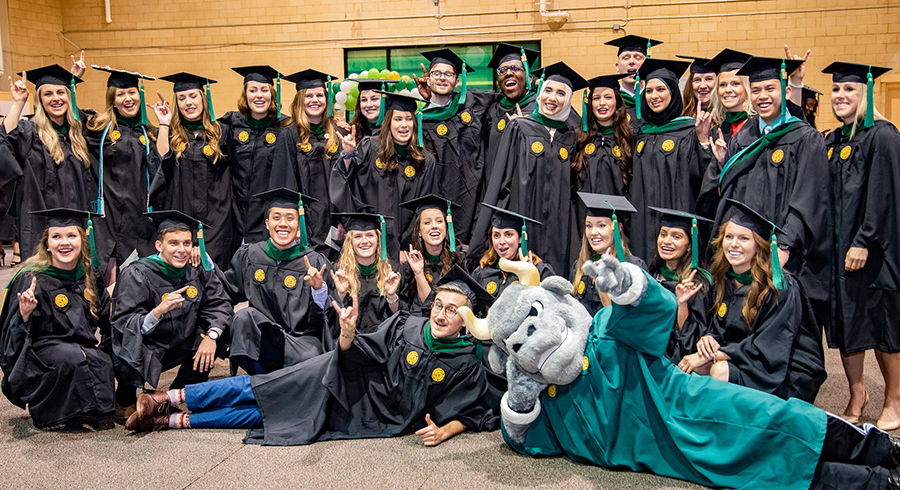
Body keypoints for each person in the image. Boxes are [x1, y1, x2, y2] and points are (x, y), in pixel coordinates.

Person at [476, 256, 900, 490]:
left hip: (689, 405)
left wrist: (626, 283)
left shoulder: (605, 335)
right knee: (764, 472)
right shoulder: (551, 399)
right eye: (518, 344)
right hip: (667, 453)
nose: (534, 342)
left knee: (776, 420)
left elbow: (653, 313)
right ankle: (881, 484)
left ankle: (884, 453)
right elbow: (532, 443)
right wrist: (520, 401)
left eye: (535, 321)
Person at [124, 267, 498, 449]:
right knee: (266, 387)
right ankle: (166, 399)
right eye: (439, 305)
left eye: (454, 310)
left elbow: (469, 410)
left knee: (269, 412)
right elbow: (361, 352)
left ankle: (168, 422)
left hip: (366, 413)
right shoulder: (409, 324)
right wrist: (348, 332)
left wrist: (446, 430)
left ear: (467, 321)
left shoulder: (466, 362)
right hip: (345, 377)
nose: (442, 314)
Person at [698, 55, 833, 328]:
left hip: (786, 251)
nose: (762, 96)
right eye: (757, 90)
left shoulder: (805, 138)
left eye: (770, 89)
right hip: (746, 249)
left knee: (785, 325)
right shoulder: (743, 138)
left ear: (786, 91)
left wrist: (784, 246)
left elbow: (810, 197)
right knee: (745, 320)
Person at [678, 200, 826, 403]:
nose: (734, 244)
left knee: (719, 370)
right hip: (747, 357)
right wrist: (709, 340)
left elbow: (769, 345)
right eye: (729, 237)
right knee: (699, 366)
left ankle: (737, 429)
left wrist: (714, 356)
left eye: (744, 238)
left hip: (786, 368)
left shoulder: (779, 286)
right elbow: (722, 328)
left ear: (759, 245)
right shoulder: (724, 279)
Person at [822, 62, 900, 430]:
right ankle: (856, 394)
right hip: (839, 247)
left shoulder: (882, 136)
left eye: (849, 90)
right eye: (836, 90)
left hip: (873, 250)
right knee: (848, 321)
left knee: (882, 325)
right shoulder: (835, 140)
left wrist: (864, 240)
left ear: (865, 93)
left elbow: (884, 194)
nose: (840, 96)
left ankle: (894, 400)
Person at [110, 210, 233, 418]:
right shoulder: (137, 273)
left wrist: (211, 337)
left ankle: (170, 396)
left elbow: (220, 304)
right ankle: (124, 399)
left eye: (187, 243)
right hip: (149, 344)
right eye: (174, 243)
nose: (181, 250)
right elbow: (124, 322)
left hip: (181, 339)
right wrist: (158, 311)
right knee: (126, 343)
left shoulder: (197, 269)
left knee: (219, 335)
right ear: (159, 245)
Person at [0, 208, 115, 431]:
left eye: (71, 236)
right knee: (72, 358)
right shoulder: (31, 278)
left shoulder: (88, 274)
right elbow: (9, 337)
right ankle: (52, 415)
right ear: (47, 244)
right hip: (42, 349)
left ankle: (90, 410)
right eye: (56, 237)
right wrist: (24, 314)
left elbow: (102, 317)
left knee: (100, 359)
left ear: (82, 240)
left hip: (79, 345)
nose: (64, 243)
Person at [471, 62, 588, 274]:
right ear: (540, 93)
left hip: (560, 228)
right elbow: (500, 180)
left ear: (569, 100)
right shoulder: (520, 127)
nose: (552, 98)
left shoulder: (572, 137)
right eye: (548, 91)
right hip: (523, 222)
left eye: (561, 93)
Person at [219, 188, 337, 375]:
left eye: (290, 218)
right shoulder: (251, 255)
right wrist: (212, 332)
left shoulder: (315, 262)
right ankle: (260, 378)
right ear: (267, 223)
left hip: (300, 342)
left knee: (313, 356)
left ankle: (268, 386)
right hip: (264, 338)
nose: (283, 224)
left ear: (299, 225)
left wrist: (319, 289)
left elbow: (326, 318)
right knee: (243, 317)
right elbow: (224, 293)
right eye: (276, 218)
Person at [0, 64, 92, 262]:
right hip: (40, 225)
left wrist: (73, 81)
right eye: (48, 94)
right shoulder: (30, 133)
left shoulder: (78, 134)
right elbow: (5, 143)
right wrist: (18, 103)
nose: (56, 98)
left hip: (77, 223)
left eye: (61, 92)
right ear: (40, 100)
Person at [332, 91, 436, 257]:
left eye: (409, 119)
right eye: (398, 119)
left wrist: (407, 244)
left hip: (405, 250)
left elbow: (422, 208)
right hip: (368, 243)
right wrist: (349, 155)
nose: (404, 125)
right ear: (388, 122)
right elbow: (347, 183)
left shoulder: (424, 160)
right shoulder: (370, 148)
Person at [150, 72, 236, 268]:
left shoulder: (221, 132)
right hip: (181, 221)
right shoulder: (171, 134)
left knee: (215, 283)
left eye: (193, 96)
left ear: (203, 98)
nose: (188, 102)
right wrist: (164, 123)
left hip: (217, 224)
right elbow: (163, 160)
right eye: (182, 98)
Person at [84, 66, 160, 284]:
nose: (128, 98)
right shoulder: (97, 129)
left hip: (139, 219)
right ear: (112, 99)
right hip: (106, 218)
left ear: (140, 94)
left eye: (132, 92)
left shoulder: (151, 133)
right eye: (121, 94)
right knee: (105, 281)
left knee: (137, 282)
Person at [629, 58, 708, 261]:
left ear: (673, 93)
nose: (654, 96)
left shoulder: (689, 130)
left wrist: (703, 143)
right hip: (642, 221)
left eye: (661, 90)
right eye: (649, 91)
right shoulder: (640, 134)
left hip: (677, 219)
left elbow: (700, 177)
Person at [268, 69, 339, 255]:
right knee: (306, 268)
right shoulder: (289, 134)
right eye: (309, 96)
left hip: (334, 222)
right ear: (300, 100)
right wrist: (293, 224)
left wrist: (345, 220)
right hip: (304, 223)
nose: (315, 100)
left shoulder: (338, 133)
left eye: (319, 95)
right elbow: (284, 181)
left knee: (332, 267)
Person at [415, 48, 482, 244]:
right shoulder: (419, 121)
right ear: (428, 79)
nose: (442, 78)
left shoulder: (473, 104)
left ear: (457, 80)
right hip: (438, 200)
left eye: (449, 74)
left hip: (474, 198)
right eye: (437, 73)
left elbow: (506, 102)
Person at [221, 65, 290, 244]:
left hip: (268, 214)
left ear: (272, 95)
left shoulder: (285, 127)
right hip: (235, 213)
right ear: (246, 95)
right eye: (253, 90)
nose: (259, 95)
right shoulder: (231, 123)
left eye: (264, 90)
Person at [646, 207, 713, 364]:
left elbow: (692, 341)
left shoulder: (698, 283)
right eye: (663, 234)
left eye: (677, 236)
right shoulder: (652, 275)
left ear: (689, 246)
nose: (667, 241)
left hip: (676, 359)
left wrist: (682, 304)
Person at [475, 42, 541, 187]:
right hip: (495, 192)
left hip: (529, 191)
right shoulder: (492, 110)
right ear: (499, 82)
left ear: (529, 79)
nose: (509, 73)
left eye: (516, 68)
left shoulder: (541, 110)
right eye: (503, 70)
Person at [571, 193, 645, 318]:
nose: (593, 232)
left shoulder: (633, 267)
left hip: (615, 336)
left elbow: (634, 318)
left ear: (617, 227)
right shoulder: (580, 266)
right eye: (589, 226)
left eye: (601, 225)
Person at [330, 212, 404, 331]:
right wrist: (341, 294)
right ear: (350, 241)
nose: (364, 241)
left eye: (370, 235)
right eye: (358, 236)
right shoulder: (338, 272)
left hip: (384, 341)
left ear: (378, 239)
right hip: (349, 340)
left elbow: (403, 318)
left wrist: (391, 297)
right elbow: (327, 318)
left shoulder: (394, 272)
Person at [398, 194, 466, 314]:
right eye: (427, 223)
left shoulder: (461, 259)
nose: (434, 226)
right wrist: (419, 273)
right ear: (419, 231)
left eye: (439, 221)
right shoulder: (409, 266)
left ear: (446, 226)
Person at [471, 203, 555, 299]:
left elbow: (552, 306)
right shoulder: (482, 272)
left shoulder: (540, 271)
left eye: (508, 234)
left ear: (520, 238)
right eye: (496, 235)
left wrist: (531, 277)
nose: (501, 241)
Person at [572, 74, 633, 198]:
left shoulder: (630, 138)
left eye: (608, 97)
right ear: (590, 103)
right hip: (584, 215)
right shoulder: (578, 138)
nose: (602, 103)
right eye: (596, 98)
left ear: (617, 102)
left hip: (619, 215)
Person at [603, 34, 663, 125]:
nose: (631, 62)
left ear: (646, 64)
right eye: (626, 58)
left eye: (637, 58)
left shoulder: (658, 100)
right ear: (617, 66)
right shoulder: (611, 101)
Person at [703, 49, 754, 149]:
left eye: (735, 84)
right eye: (723, 85)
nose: (728, 90)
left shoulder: (758, 126)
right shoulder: (717, 131)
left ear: (746, 87)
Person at [349, 78, 396, 143]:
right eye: (364, 100)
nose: (369, 105)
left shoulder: (395, 131)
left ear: (385, 101)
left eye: (374, 99)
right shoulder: (352, 131)